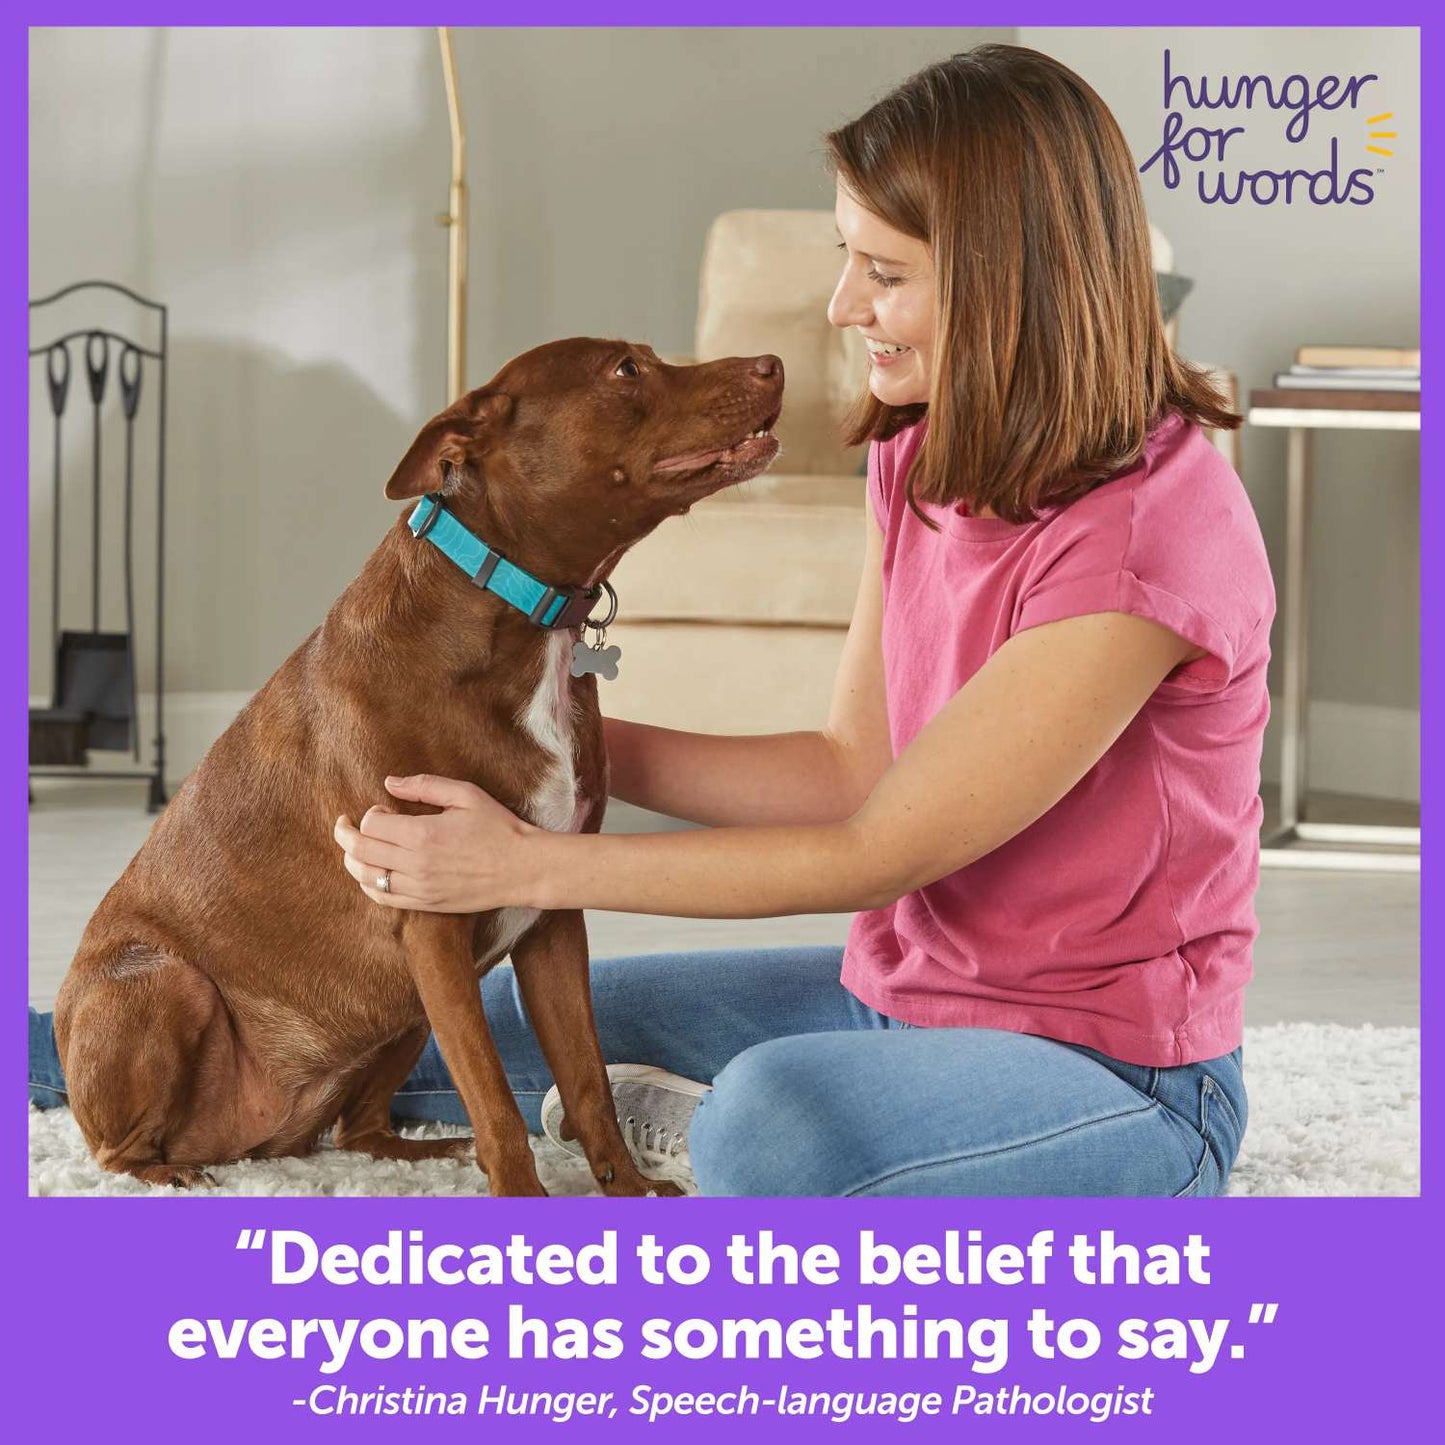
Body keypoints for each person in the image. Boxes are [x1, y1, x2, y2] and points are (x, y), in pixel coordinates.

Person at [31, 44, 1269, 1197]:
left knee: (771, 1129)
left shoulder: (1151, 532)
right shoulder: (926, 460)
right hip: (903, 995)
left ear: (1014, 286)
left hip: (1112, 1074)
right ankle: (62, 1055)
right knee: (429, 1014)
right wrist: (513, 750)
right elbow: (849, 769)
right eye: (848, 259)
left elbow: (882, 846)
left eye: (882, 275)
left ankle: (812, 1129)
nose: (841, 306)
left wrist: (529, 859)